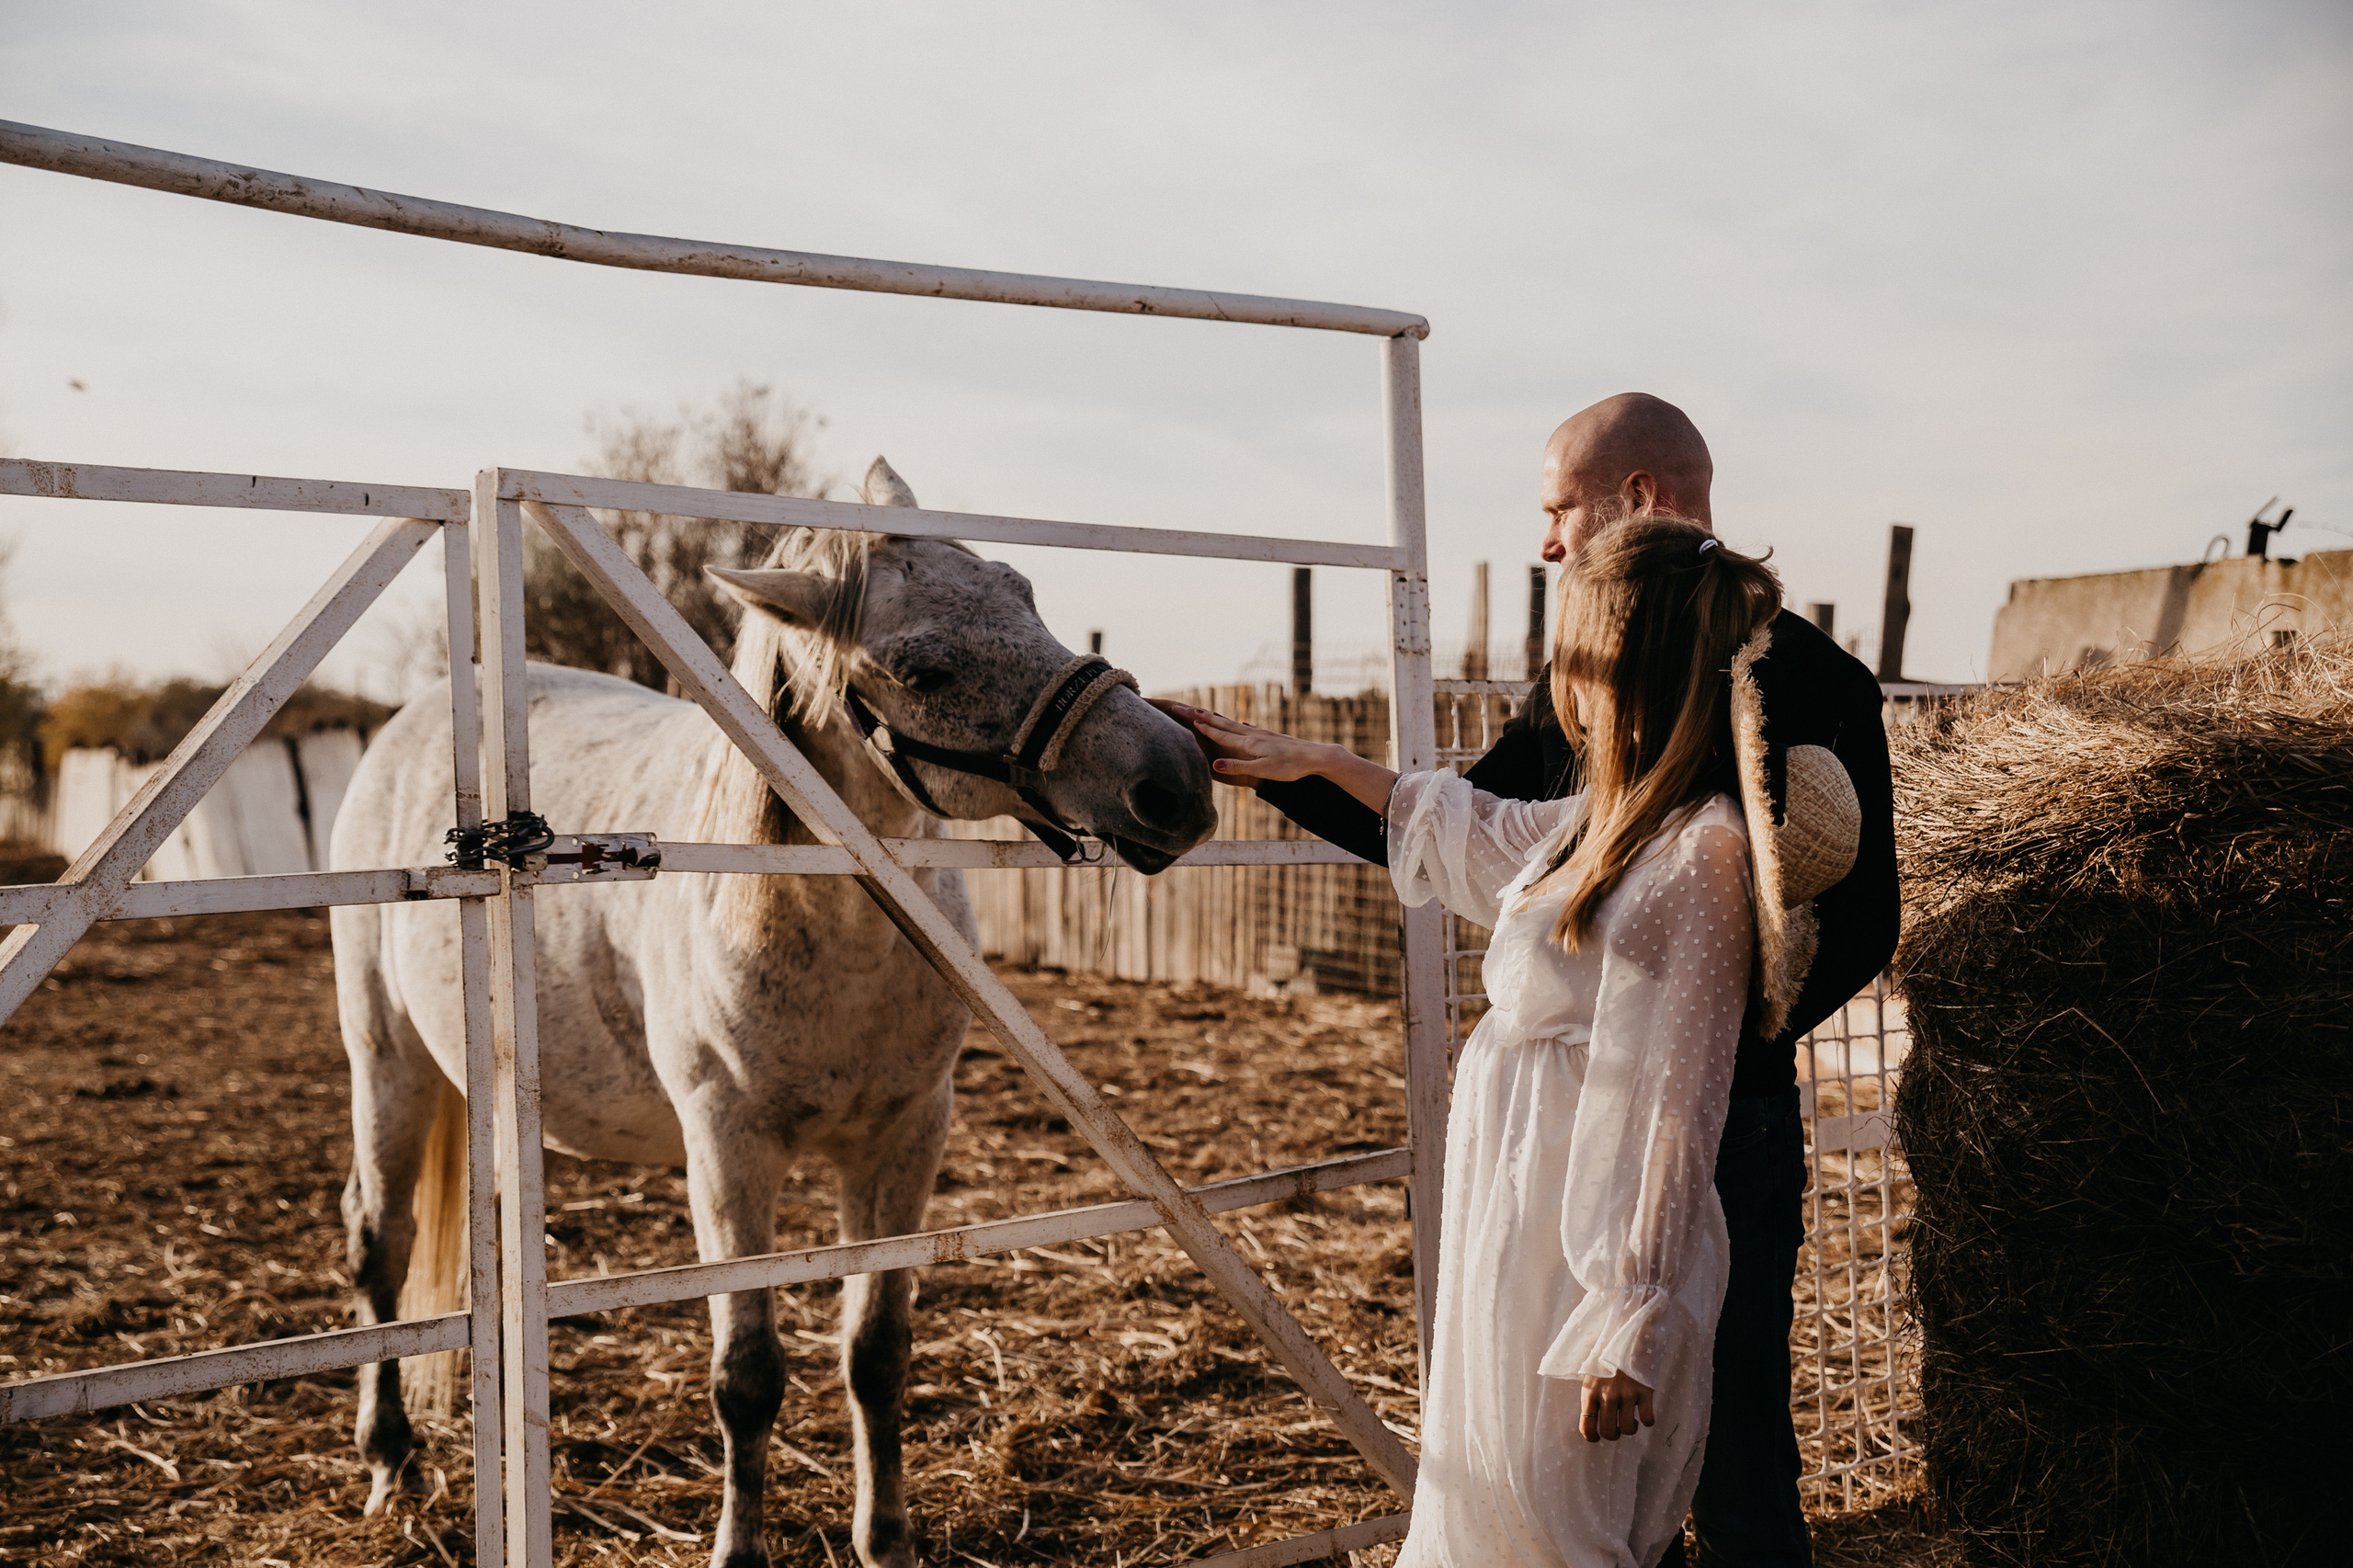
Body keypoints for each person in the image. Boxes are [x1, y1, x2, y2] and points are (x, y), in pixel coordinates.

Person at [1164, 394, 1898, 1565]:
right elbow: (1480, 826)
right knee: (1569, 1462)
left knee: (1731, 1455)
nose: (1547, 540)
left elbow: (1855, 921)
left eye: (1558, 508)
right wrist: (1292, 765)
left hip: (1707, 1125)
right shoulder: (1603, 715)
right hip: (1553, 1156)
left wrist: (1687, 1026)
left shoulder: (1790, 684)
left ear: (1639, 499)